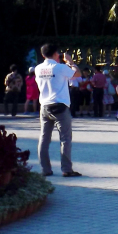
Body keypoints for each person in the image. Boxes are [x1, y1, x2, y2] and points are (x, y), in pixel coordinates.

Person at [35, 45, 82, 177]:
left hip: (44, 106)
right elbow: (77, 74)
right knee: (65, 138)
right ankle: (66, 169)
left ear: (43, 55)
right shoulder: (61, 67)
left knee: (44, 138)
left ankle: (45, 169)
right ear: (56, 54)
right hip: (60, 106)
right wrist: (70, 62)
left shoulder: (38, 68)